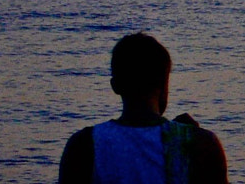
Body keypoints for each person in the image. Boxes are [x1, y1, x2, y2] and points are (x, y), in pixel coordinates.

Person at [59, 32, 227, 184]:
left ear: (115, 86)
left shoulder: (84, 145)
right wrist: (188, 137)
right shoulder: (201, 144)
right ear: (163, 84)